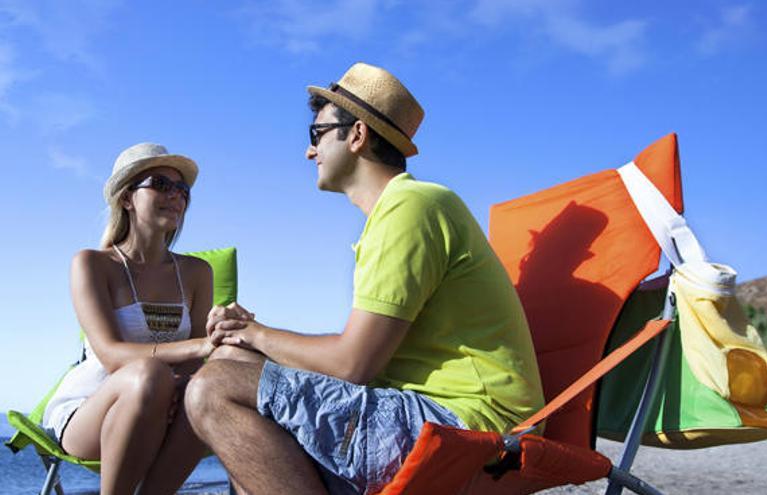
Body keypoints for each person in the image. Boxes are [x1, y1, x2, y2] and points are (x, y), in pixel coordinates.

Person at [185, 62, 544, 494]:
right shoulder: (398, 213)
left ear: (357, 135)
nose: (309, 151)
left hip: (471, 425)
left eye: (316, 135)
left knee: (211, 389)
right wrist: (244, 339)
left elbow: (352, 364)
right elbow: (356, 362)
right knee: (230, 364)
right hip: (430, 411)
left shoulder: (410, 207)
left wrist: (257, 332)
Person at [41, 143, 216, 494]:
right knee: (149, 374)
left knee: (213, 388)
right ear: (126, 199)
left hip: (165, 405)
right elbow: (111, 354)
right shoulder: (93, 264)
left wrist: (224, 335)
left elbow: (198, 362)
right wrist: (199, 346)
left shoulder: (197, 272)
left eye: (182, 190)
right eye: (161, 185)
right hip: (90, 410)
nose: (176, 196)